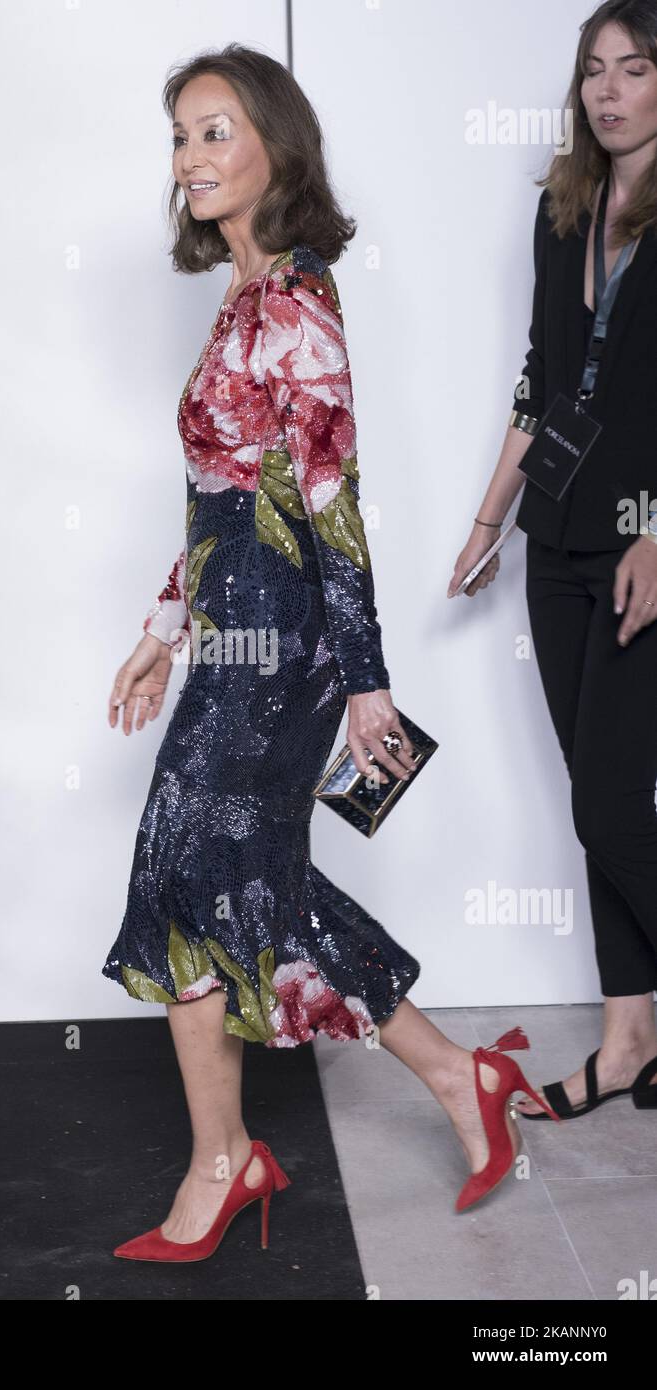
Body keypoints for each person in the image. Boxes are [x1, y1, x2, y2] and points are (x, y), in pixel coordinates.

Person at [102, 43, 557, 1262]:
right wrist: (159, 635)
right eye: (179, 137)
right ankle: (455, 1080)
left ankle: (227, 1156)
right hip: (231, 640)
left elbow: (327, 504)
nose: (189, 158)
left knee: (198, 878)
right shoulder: (239, 302)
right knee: (233, 885)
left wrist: (364, 679)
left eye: (213, 132)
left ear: (274, 148)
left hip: (286, 657)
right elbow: (217, 501)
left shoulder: (296, 298)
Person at [447, 0, 657, 1122]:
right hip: (558, 536)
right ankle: (627, 1043)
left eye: (632, 68)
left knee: (614, 807)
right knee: (595, 797)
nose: (608, 91)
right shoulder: (560, 207)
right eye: (592, 71)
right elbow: (538, 376)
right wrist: (488, 520)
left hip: (641, 543)